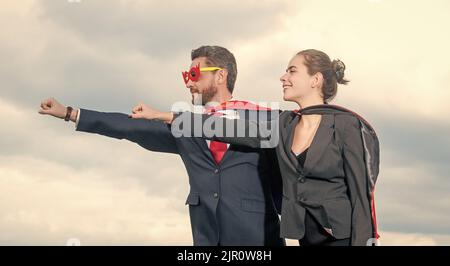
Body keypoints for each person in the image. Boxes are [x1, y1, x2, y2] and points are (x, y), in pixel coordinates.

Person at [38, 45, 285, 246]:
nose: (188, 83)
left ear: (221, 75)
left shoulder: (263, 118)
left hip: (259, 241)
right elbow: (130, 127)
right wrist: (71, 113)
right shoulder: (184, 127)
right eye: (186, 76)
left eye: (194, 75)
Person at [132, 49, 380, 246]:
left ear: (315, 79)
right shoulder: (283, 124)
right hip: (306, 237)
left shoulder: (348, 125)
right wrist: (163, 115)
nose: (284, 77)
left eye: (292, 71)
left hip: (344, 238)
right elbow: (226, 128)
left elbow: (362, 196)